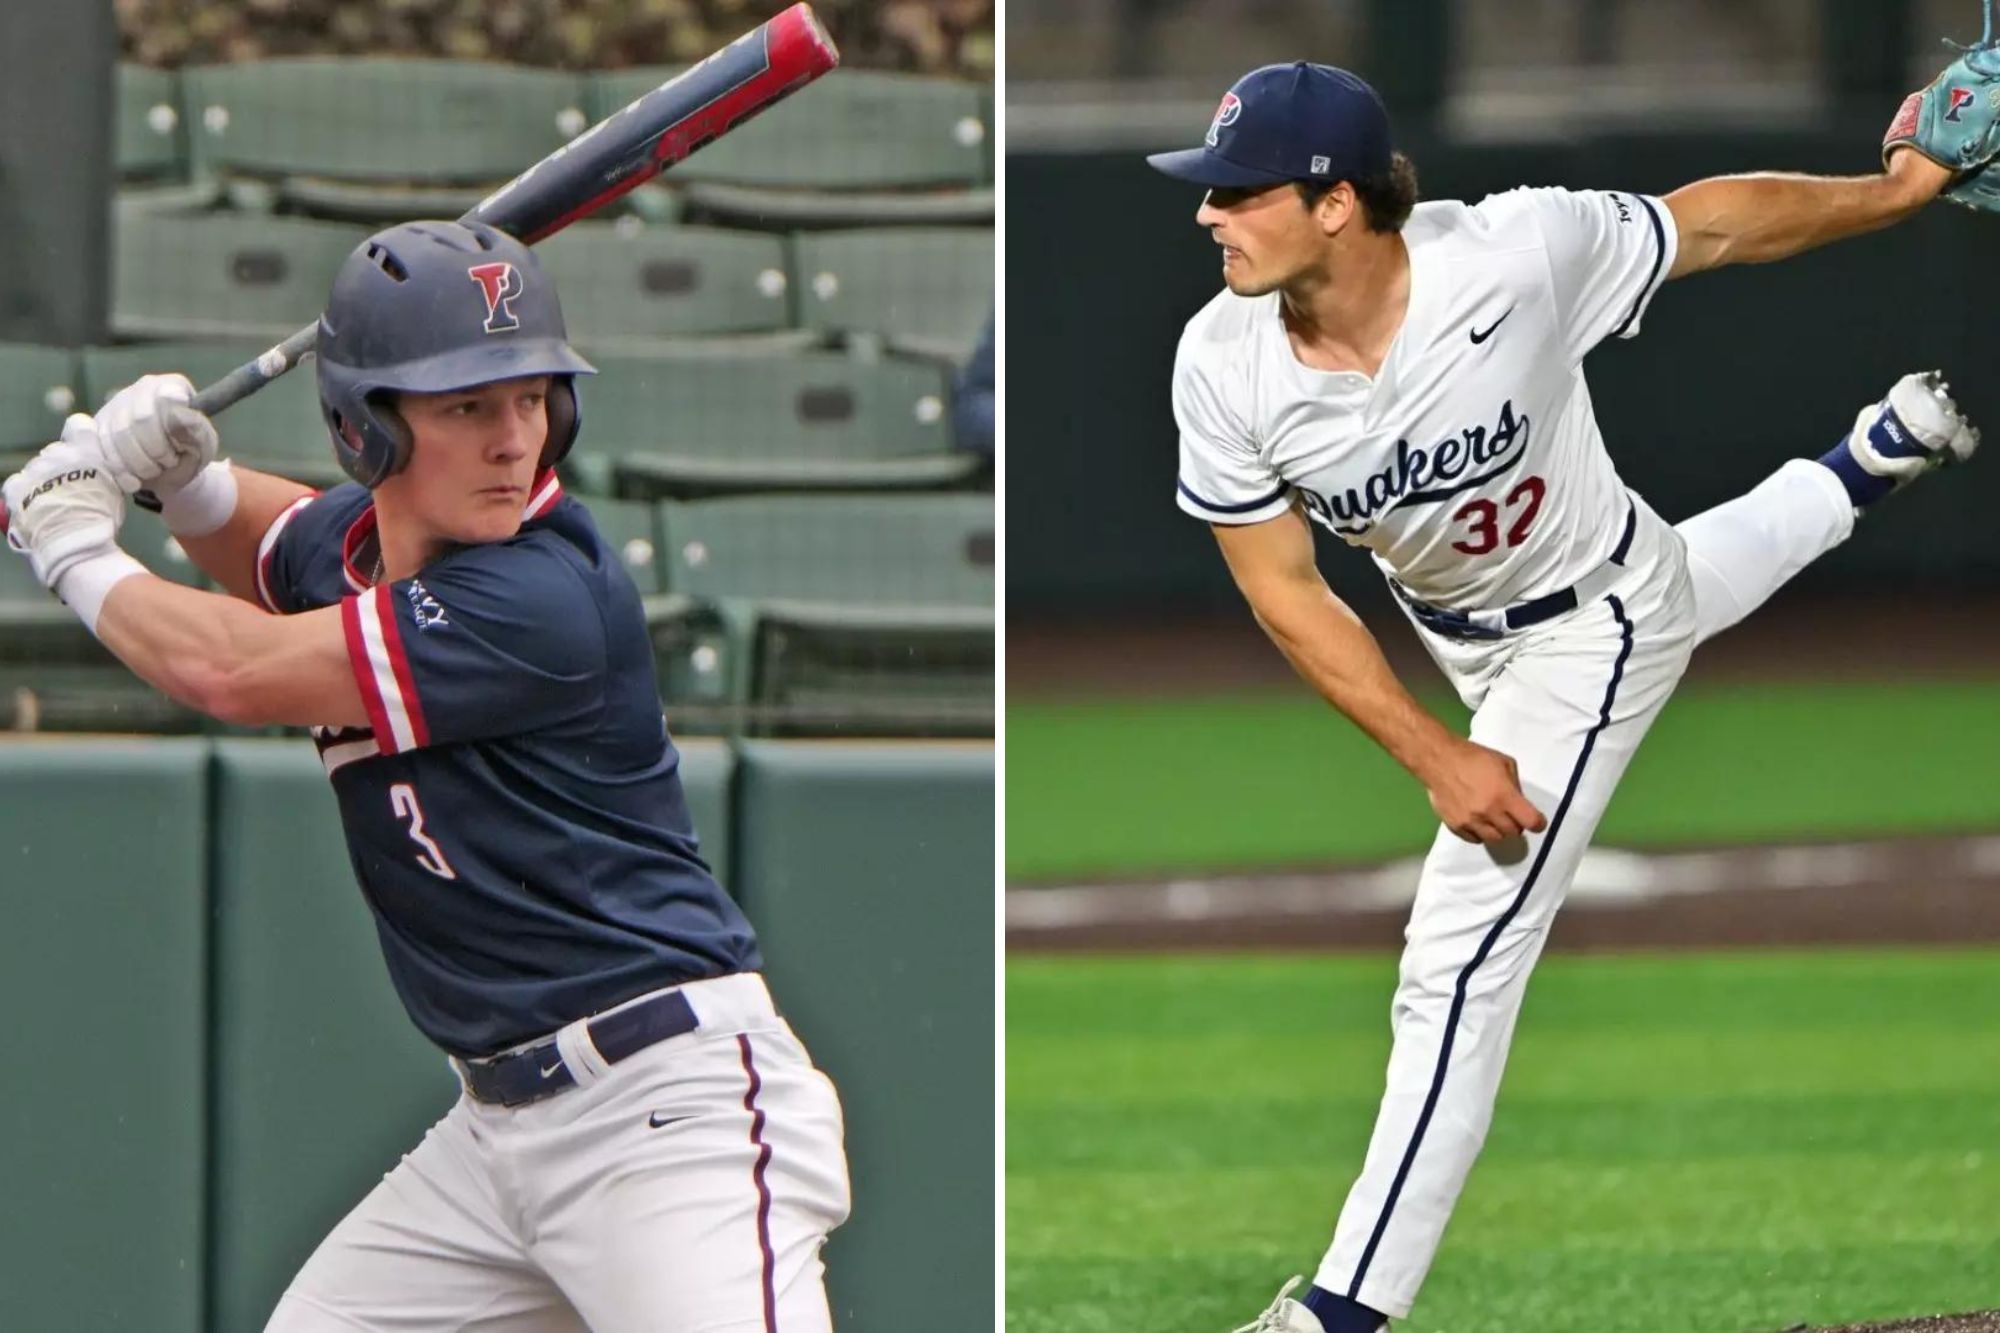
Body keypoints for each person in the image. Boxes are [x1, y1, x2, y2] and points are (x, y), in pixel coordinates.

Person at [1144, 62, 1981, 1333]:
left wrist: (1892, 191)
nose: (1207, 214)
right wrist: (1435, 750)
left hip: (1590, 623)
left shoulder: (1511, 254)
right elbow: (1288, 595)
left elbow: (1715, 220)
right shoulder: (1218, 364)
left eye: (1237, 191)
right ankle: (1862, 463)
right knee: (1692, 584)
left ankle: (1340, 1312)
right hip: (1462, 640)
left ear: (1334, 204)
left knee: (1456, 961)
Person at [1, 220, 850, 1332]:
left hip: (666, 1116)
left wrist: (70, 541)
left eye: (531, 398)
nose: (512, 440)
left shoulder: (540, 595)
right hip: (497, 1137)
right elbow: (279, 540)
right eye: (465, 406)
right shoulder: (370, 545)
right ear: (368, 431)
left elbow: (228, 667)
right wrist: (189, 483)